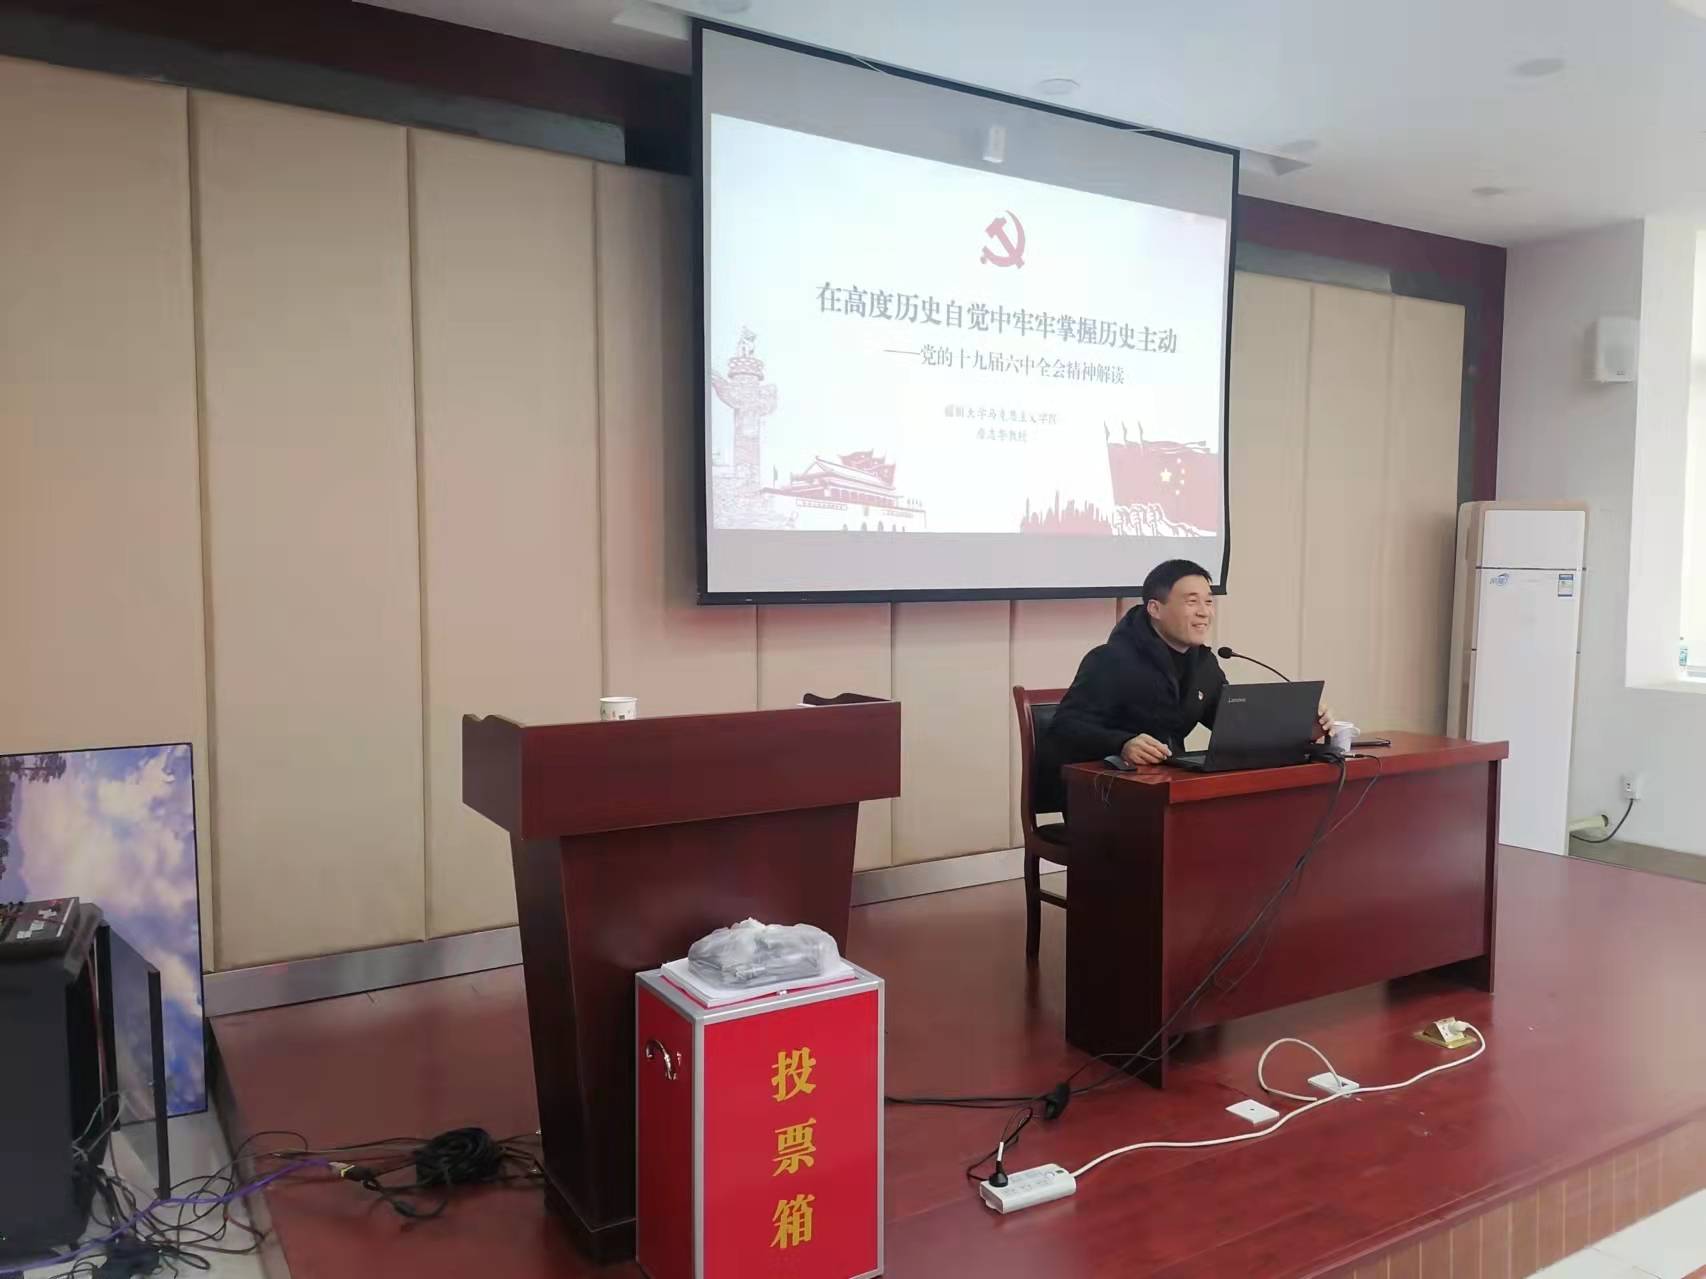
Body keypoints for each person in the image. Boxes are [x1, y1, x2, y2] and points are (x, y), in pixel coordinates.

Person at [1042, 560, 1332, 779]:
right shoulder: (1110, 660)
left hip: (1169, 783)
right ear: (1155, 609)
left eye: (1208, 602)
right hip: (1110, 789)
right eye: (1192, 602)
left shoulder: (1203, 664)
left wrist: (1301, 731)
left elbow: (1234, 725)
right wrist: (1122, 743)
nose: (1204, 612)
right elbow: (1065, 726)